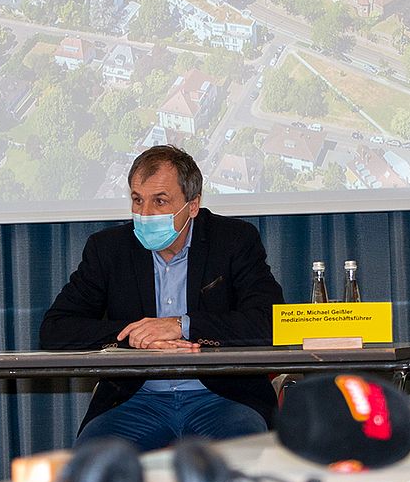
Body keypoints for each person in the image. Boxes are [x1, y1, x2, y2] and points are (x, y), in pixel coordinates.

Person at [40, 145, 284, 452]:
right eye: (137, 200)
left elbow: (268, 321)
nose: (144, 214)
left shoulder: (234, 241)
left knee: (241, 471)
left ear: (192, 205)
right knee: (91, 472)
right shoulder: (109, 249)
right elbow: (55, 329)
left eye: (160, 201)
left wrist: (182, 326)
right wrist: (137, 335)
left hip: (224, 399)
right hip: (135, 400)